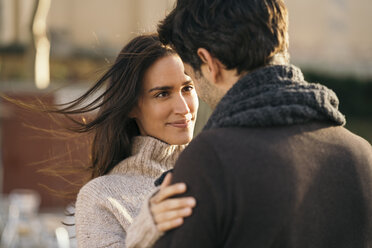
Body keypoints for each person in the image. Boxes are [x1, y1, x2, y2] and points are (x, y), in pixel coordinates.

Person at [150, 0, 372, 247]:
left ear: (209, 63)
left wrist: (146, 229)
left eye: (191, 77)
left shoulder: (211, 160)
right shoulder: (361, 154)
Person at [51, 34, 198, 247]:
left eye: (187, 88)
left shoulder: (213, 172)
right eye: (163, 94)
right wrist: (147, 230)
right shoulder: (101, 197)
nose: (184, 108)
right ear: (131, 107)